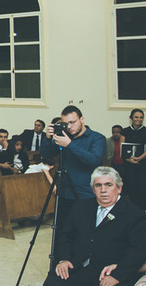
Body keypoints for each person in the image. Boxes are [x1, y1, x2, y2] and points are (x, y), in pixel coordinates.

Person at [43, 167, 146, 286]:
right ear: (93, 189)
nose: (103, 190)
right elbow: (65, 235)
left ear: (119, 188)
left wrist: (117, 276)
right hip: (83, 266)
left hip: (112, 271)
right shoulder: (81, 207)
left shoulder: (134, 214)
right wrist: (64, 259)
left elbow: (138, 251)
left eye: (108, 185)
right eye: (98, 186)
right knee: (54, 285)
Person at [40, 105, 106, 248]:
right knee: (62, 234)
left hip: (86, 195)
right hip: (64, 194)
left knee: (83, 235)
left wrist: (69, 145)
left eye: (72, 122)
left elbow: (94, 160)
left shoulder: (96, 138)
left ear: (82, 119)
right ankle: (60, 260)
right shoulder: (63, 137)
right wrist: (47, 138)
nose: (69, 127)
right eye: (65, 123)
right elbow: (46, 154)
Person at [118, 108, 146, 215]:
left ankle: (143, 211)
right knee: (130, 187)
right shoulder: (125, 131)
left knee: (143, 188)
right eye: (136, 117)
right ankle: (130, 211)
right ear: (131, 118)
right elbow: (121, 146)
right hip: (129, 165)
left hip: (143, 165)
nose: (139, 119)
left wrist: (140, 158)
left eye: (141, 117)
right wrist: (128, 159)